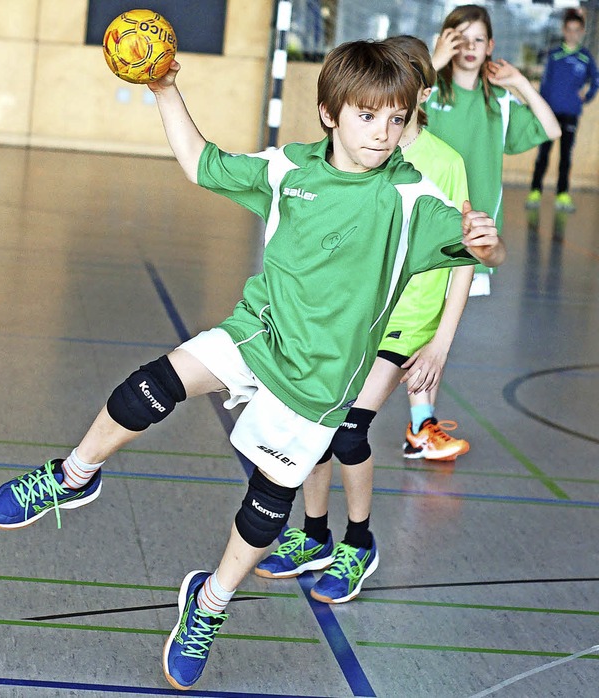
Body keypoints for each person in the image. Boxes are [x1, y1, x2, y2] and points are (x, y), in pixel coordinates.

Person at [0, 40, 505, 690]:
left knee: (265, 511)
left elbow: (485, 250)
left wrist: (487, 242)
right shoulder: (289, 169)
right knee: (150, 387)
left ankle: (210, 602)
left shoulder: (412, 199)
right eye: (368, 117)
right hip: (257, 332)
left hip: (319, 384)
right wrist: (164, 88)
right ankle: (73, 474)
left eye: (396, 119)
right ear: (329, 113)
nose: (384, 132)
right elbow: (201, 164)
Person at [254, 35, 474, 603]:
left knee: (350, 427)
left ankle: (359, 542)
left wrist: (441, 343)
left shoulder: (443, 163)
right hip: (353, 319)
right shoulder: (358, 151)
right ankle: (314, 535)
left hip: (407, 319)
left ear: (418, 93)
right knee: (319, 423)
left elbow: (465, 257)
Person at [426, 3, 561, 296]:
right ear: (447, 42)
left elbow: (552, 129)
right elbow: (396, 103)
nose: (469, 46)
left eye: (478, 39)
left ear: (490, 46)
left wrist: (520, 83)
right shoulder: (428, 90)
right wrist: (433, 62)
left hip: (473, 232)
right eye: (461, 38)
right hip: (424, 227)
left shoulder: (499, 102)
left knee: (445, 333)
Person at [525, 8, 599, 213]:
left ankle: (562, 194)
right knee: (543, 154)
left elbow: (596, 80)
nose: (573, 34)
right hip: (549, 113)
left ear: (582, 31)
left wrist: (589, 95)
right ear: (564, 30)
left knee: (566, 156)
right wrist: (540, 109)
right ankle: (535, 191)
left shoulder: (585, 58)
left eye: (577, 30)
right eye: (569, 29)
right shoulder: (554, 55)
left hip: (571, 114)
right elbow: (545, 83)